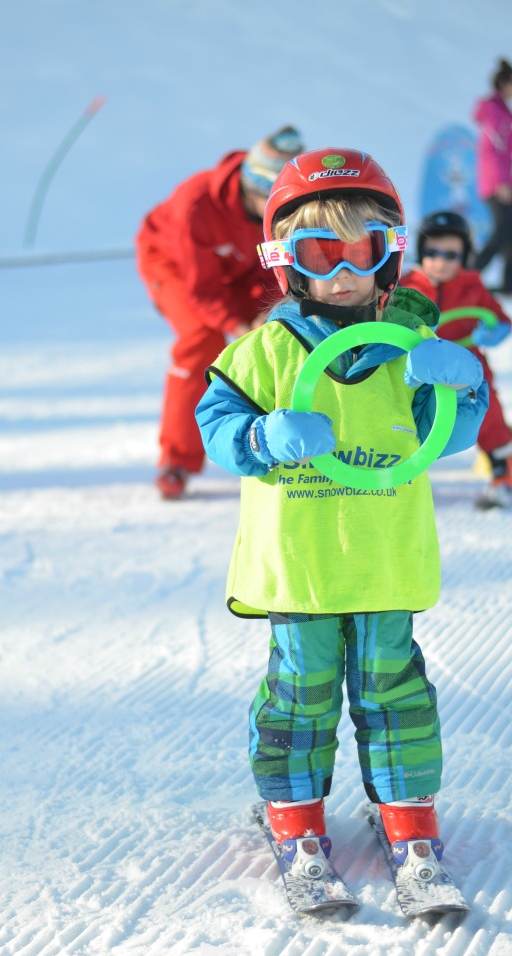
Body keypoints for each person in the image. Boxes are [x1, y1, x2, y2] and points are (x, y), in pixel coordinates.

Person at [195, 148, 488, 885]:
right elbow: (216, 424)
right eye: (321, 251)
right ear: (285, 260)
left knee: (396, 692)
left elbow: (441, 435)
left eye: (365, 249)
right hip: (302, 573)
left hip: (383, 565)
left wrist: (466, 391)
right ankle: (293, 818)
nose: (343, 271)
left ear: (391, 257)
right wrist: (260, 436)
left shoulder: (405, 350)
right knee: (302, 695)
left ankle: (409, 819)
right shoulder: (262, 354)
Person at [136, 126, 304, 499]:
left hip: (239, 267)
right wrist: (239, 324)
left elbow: (272, 269)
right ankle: (176, 459)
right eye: (270, 198)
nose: (276, 210)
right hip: (173, 265)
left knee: (281, 329)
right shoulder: (197, 204)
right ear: (252, 186)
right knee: (201, 339)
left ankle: (283, 438)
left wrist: (267, 315)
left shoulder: (277, 212)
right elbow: (202, 289)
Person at [401, 210, 512, 506]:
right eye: (433, 252)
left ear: (464, 255)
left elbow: (500, 320)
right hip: (421, 369)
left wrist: (494, 331)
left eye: (451, 254)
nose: (441, 261)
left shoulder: (472, 286)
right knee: (404, 412)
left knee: (485, 409)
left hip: (468, 367)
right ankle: (405, 468)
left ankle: (502, 467)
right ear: (421, 252)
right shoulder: (407, 287)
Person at [472, 58, 512, 294]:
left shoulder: (502, 111)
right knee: (504, 230)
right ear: (505, 84)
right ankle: (470, 275)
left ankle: (510, 283)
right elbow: (492, 150)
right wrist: (501, 182)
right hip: (498, 184)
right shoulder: (495, 113)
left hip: (504, 183)